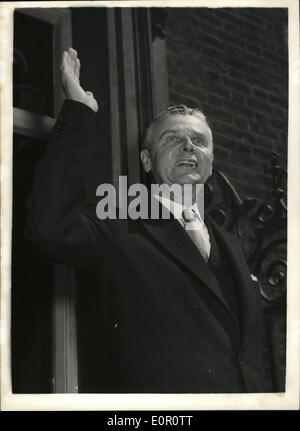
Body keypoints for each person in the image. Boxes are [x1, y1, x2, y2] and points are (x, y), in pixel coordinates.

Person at [26, 48, 267, 393]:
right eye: (173, 139)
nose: (188, 147)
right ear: (147, 160)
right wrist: (79, 110)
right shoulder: (120, 220)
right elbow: (49, 227)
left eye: (199, 141)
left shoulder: (232, 244)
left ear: (210, 161)